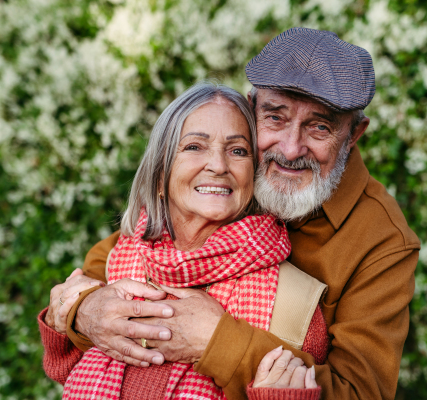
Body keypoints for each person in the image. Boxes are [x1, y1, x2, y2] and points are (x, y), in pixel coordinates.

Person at [47, 28, 420, 399]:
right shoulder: (228, 170)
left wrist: (217, 340)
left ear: (354, 134)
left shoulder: (383, 240)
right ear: (251, 106)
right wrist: (84, 308)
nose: (290, 149)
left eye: (319, 127)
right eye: (274, 118)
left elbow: (361, 392)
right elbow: (129, 252)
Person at [39, 82, 327, 399]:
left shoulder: (293, 304)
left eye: (238, 151)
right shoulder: (118, 262)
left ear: (253, 178)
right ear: (160, 174)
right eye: (194, 147)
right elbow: (65, 370)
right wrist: (62, 318)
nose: (218, 165)